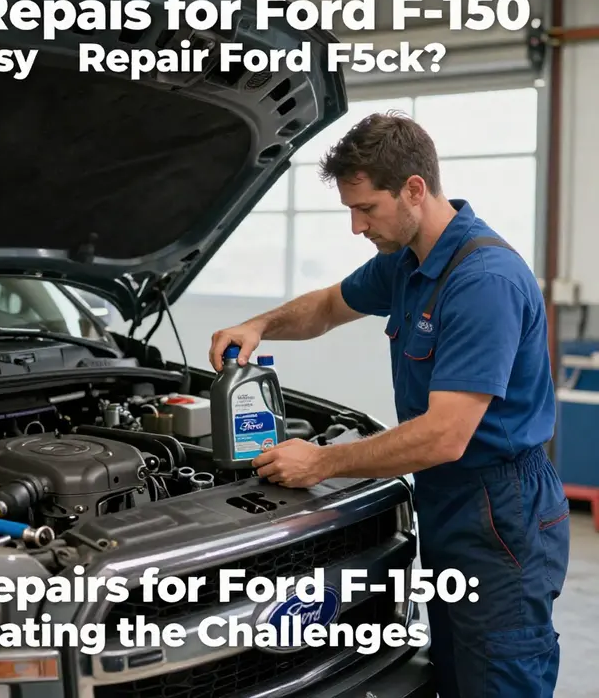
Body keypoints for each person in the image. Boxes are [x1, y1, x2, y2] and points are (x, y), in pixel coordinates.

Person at [208, 112, 570, 698]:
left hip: (501, 512)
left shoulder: (482, 281)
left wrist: (321, 461)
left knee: (502, 675)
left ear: (414, 189)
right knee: (454, 673)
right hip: (451, 501)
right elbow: (329, 305)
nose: (356, 226)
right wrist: (260, 324)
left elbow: (444, 436)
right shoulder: (408, 263)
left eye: (366, 209)